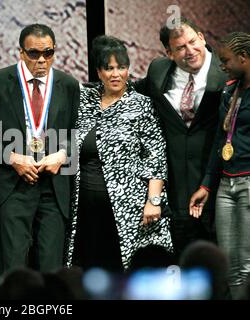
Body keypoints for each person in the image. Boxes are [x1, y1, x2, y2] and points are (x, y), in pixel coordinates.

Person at [0, 24, 79, 282]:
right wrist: (12, 158)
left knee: (53, 272)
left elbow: (79, 136)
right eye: (33, 53)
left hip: (54, 188)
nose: (41, 60)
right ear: (20, 52)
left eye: (48, 52)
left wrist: (62, 155)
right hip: (13, 187)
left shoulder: (69, 84)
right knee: (11, 269)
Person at [65, 35, 172, 272]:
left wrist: (153, 201)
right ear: (98, 72)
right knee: (91, 272)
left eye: (121, 67)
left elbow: (155, 156)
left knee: (122, 271)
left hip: (129, 208)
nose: (116, 74)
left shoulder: (141, 104)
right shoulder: (85, 101)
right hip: (85, 207)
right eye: (109, 68)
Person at [135, 17, 227, 258]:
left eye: (193, 42)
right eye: (180, 48)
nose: (190, 51)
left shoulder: (226, 73)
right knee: (181, 256)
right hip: (175, 183)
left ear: (202, 38)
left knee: (218, 257)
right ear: (169, 53)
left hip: (215, 181)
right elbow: (131, 90)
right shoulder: (158, 71)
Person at [189, 32, 250, 299]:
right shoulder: (229, 89)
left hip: (249, 181)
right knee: (229, 263)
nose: (222, 65)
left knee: (248, 262)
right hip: (226, 182)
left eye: (226, 60)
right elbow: (219, 139)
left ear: (244, 58)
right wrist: (206, 184)